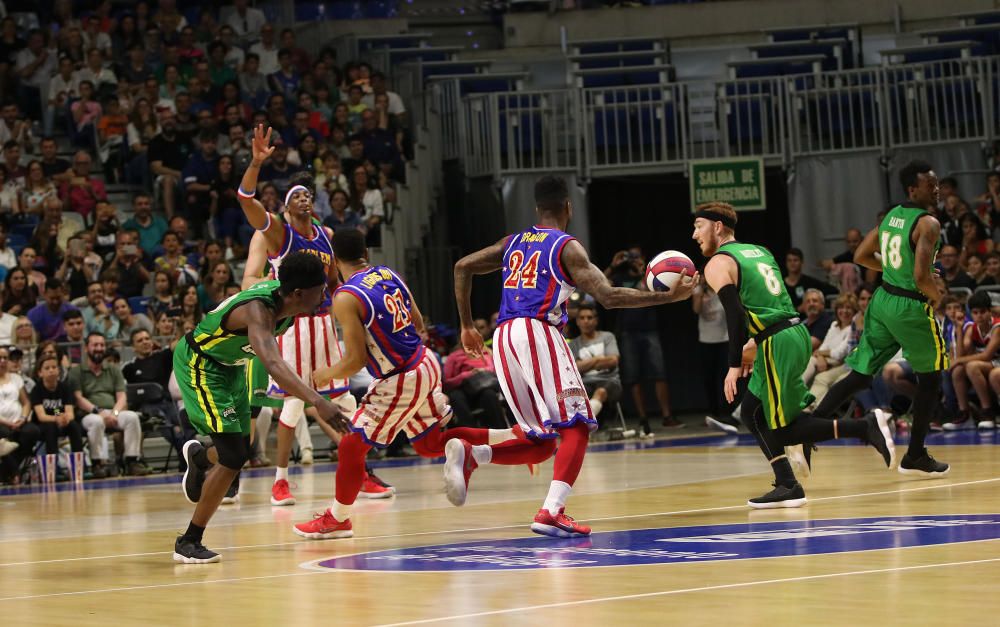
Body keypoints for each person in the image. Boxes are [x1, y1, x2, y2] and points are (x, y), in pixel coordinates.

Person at [448, 176, 697, 537]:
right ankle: (551, 512)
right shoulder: (567, 247)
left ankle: (474, 454)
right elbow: (609, 296)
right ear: (568, 207)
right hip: (538, 332)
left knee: (542, 441)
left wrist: (467, 325)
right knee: (578, 424)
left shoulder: (512, 242)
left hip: (502, 338)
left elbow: (462, 267)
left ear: (537, 209)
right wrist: (666, 298)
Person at [291, 230, 508, 540]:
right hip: (426, 362)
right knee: (428, 445)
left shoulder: (346, 296)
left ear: (334, 260)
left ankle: (338, 519)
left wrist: (325, 374)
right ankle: (503, 439)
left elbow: (353, 362)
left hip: (401, 376)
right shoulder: (387, 272)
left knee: (351, 446)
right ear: (365, 251)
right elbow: (420, 324)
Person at [695, 201, 896, 507]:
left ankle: (864, 426)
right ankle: (786, 483)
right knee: (751, 412)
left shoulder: (717, 263)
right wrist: (755, 342)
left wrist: (734, 364)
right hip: (788, 332)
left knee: (782, 429)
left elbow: (734, 315)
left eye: (699, 226)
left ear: (717, 227)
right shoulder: (759, 251)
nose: (694, 234)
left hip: (777, 342)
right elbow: (767, 301)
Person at [173, 252, 350, 563]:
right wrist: (318, 401)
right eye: (319, 289)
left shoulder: (289, 302)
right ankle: (189, 541)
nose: (324, 295)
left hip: (231, 365)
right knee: (234, 456)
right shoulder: (258, 312)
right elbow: (272, 362)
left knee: (240, 447)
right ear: (298, 294)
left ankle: (200, 458)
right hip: (201, 364)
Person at [802, 160, 951, 478]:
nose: (936, 189)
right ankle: (916, 454)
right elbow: (922, 276)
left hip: (883, 300)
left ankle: (808, 431)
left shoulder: (892, 217)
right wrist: (941, 299)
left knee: (859, 375)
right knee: (932, 376)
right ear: (913, 188)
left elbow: (861, 256)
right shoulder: (928, 223)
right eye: (930, 184)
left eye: (937, 184)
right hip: (910, 307)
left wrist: (896, 274)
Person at [237, 125, 359, 507]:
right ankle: (280, 479)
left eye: (308, 194)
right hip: (293, 326)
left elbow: (338, 282)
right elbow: (245, 198)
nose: (305, 199)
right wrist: (256, 163)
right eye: (297, 196)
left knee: (346, 401)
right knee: (292, 404)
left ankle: (360, 469)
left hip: (324, 325)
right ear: (286, 208)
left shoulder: (325, 235)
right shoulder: (277, 233)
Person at [69, 333, 149, 479]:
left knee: (131, 417)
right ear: (86, 348)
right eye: (95, 345)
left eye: (102, 345)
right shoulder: (77, 371)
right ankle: (98, 464)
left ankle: (132, 461)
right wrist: (98, 411)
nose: (99, 348)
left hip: (112, 411)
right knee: (96, 421)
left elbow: (122, 396)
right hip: (89, 413)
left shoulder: (113, 370)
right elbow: (78, 398)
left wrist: (115, 413)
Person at [946, 291, 1000, 430]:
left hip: (995, 362)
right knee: (958, 371)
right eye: (975, 313)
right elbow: (960, 353)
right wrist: (959, 328)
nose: (979, 316)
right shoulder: (972, 328)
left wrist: (959, 360)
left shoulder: (997, 327)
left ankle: (988, 412)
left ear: (990, 312)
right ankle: (965, 414)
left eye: (982, 312)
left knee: (972, 367)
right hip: (990, 364)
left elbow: (987, 355)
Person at [692, 284, 736, 433]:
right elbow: (696, 310)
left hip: (724, 339)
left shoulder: (722, 288)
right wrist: (700, 296)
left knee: (726, 376)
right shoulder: (698, 290)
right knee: (708, 378)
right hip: (706, 339)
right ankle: (713, 412)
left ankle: (728, 413)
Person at [568, 303, 622, 423]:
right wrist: (598, 359)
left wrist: (585, 364)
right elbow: (575, 369)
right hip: (585, 384)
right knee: (572, 396)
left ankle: (587, 424)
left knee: (601, 392)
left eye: (589, 317)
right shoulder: (573, 344)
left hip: (609, 380)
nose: (586, 321)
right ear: (577, 322)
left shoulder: (607, 337)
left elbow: (613, 360)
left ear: (596, 320)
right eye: (582, 318)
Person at [0, 345, 40, 482]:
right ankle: (14, 473)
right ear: (41, 371)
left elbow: (34, 404)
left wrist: (23, 418)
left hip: (34, 418)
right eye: (13, 359)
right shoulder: (39, 386)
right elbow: (40, 406)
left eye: (19, 359)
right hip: (4, 423)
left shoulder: (32, 383)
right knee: (4, 434)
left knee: (39, 430)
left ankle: (52, 468)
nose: (15, 362)